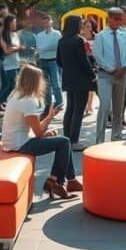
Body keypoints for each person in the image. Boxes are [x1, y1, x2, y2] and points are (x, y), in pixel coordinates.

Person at [0, 64, 82, 199]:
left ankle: (68, 181)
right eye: (40, 79)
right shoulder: (28, 101)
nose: (43, 83)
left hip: (13, 141)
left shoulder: (15, 95)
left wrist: (49, 117)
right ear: (35, 82)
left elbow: (35, 129)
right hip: (20, 144)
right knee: (64, 142)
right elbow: (39, 133)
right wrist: (47, 128)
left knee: (63, 142)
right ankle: (56, 182)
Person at [92, 8, 126, 143]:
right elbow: (98, 55)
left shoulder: (125, 35)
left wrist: (125, 67)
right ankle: (99, 139)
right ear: (109, 19)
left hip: (122, 74)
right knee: (105, 105)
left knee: (118, 107)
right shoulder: (101, 36)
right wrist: (111, 69)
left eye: (120, 19)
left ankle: (116, 135)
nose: (119, 22)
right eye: (116, 19)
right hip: (105, 75)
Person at [58, 16, 96, 150]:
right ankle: (74, 140)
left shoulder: (62, 40)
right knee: (78, 110)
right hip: (81, 79)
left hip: (68, 78)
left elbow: (58, 61)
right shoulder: (78, 40)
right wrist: (92, 75)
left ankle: (66, 138)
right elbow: (83, 60)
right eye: (80, 24)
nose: (81, 26)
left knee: (70, 108)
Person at [35, 13, 63, 116]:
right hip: (43, 60)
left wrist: (43, 48)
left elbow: (55, 46)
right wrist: (44, 48)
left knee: (55, 83)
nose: (46, 24)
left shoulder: (57, 34)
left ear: (51, 22)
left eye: (47, 21)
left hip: (53, 60)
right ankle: (48, 103)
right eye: (44, 22)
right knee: (45, 84)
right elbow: (38, 47)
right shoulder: (39, 35)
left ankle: (59, 102)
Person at [0, 14, 22, 107]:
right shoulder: (4, 35)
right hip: (9, 64)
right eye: (14, 21)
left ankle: (6, 101)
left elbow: (15, 47)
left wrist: (15, 48)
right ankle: (0, 101)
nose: (16, 23)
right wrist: (18, 48)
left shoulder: (15, 34)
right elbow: (6, 50)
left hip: (16, 62)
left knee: (14, 85)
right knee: (11, 85)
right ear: (10, 23)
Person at [81, 18, 98, 116]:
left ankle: (90, 106)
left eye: (89, 26)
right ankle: (85, 106)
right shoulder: (80, 38)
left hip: (94, 63)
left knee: (91, 87)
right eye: (85, 26)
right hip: (83, 63)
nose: (87, 28)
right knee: (85, 86)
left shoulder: (96, 37)